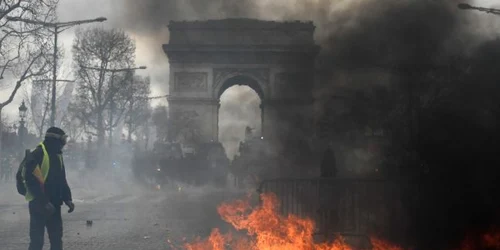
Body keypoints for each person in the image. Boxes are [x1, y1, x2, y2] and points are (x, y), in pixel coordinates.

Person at [23, 127, 74, 250]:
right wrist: (44, 201)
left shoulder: (58, 155)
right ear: (56, 140)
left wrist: (68, 198)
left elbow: (61, 179)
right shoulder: (38, 154)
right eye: (63, 140)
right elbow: (31, 180)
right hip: (38, 204)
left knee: (56, 240)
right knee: (37, 242)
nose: (64, 144)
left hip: (55, 204)